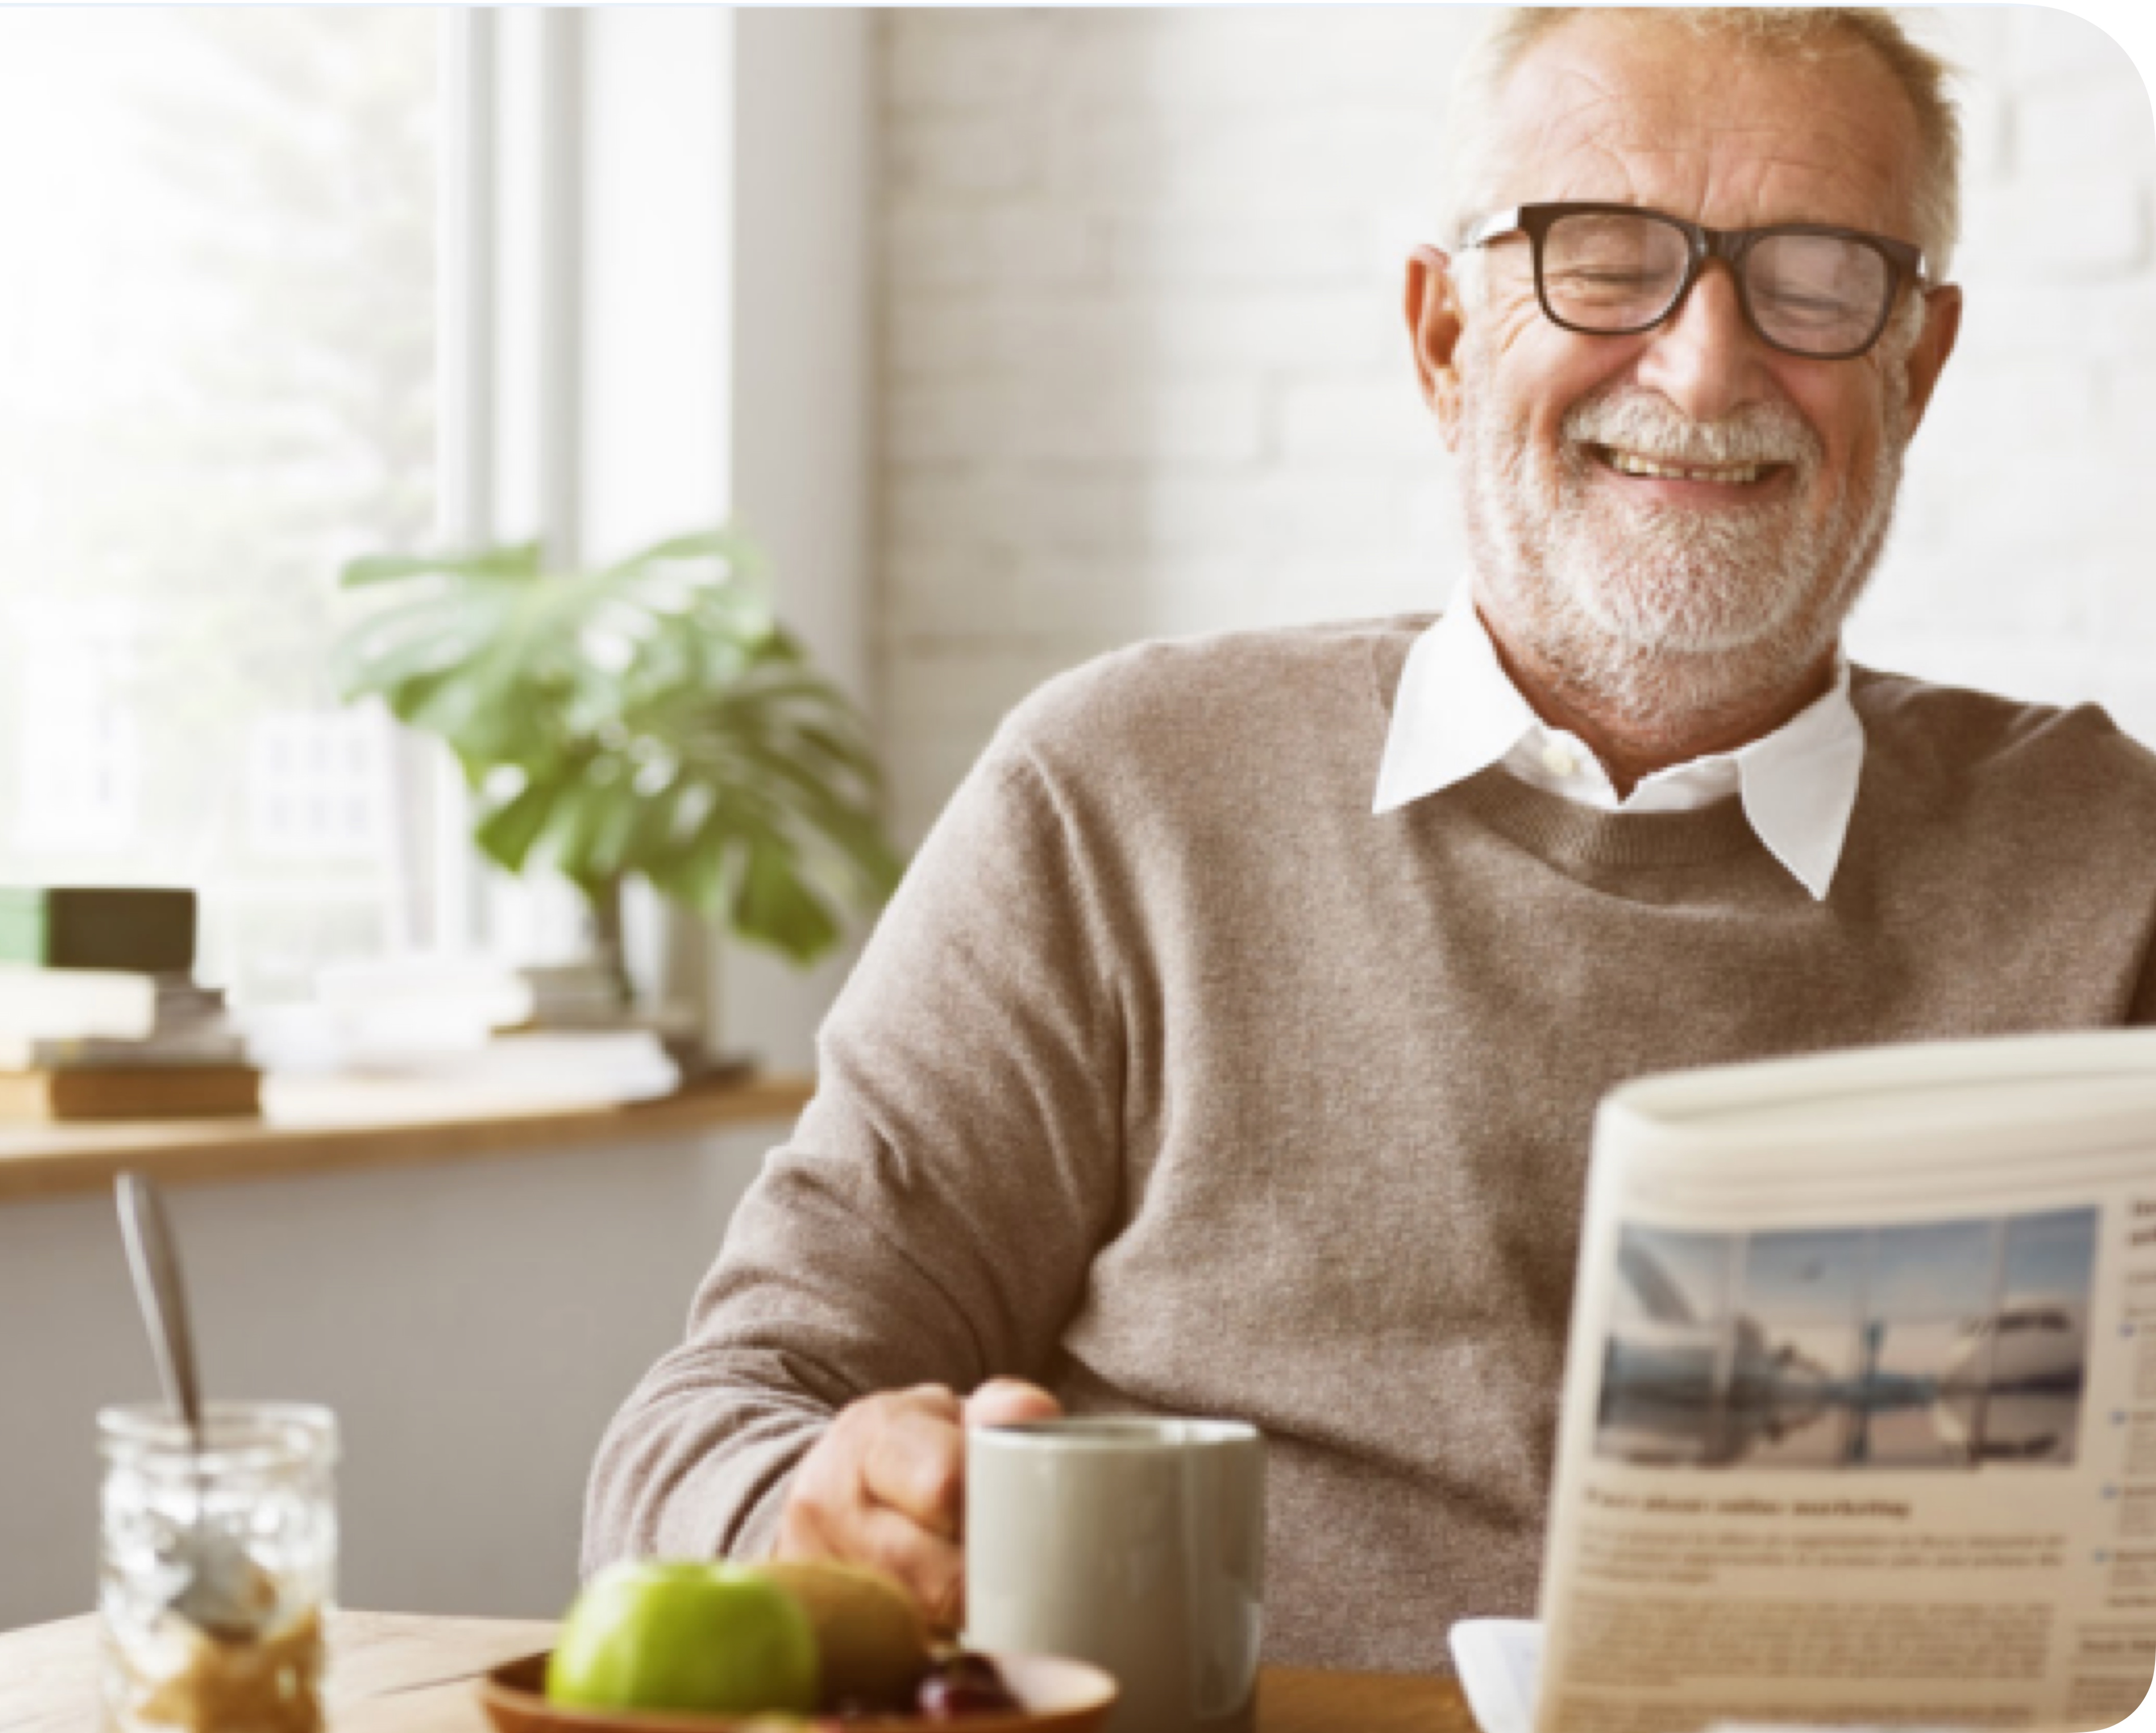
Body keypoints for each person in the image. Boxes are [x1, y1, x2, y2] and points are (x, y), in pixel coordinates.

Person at [583, 6, 2156, 1674]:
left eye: (1817, 280)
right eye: (1600, 261)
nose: (1703, 366)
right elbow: (711, 1423)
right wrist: (809, 1510)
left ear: (1912, 370)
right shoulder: (1123, 795)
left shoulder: (2111, 865)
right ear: (1440, 337)